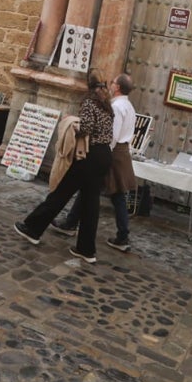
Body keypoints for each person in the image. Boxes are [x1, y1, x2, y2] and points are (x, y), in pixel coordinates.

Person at [13, 69, 115, 264]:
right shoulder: (107, 105)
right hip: (104, 156)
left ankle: (32, 228)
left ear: (88, 84)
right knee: (90, 203)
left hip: (89, 155)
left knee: (61, 192)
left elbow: (86, 128)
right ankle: (86, 250)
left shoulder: (89, 102)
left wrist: (72, 124)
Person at [50, 73, 138, 252]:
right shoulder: (129, 107)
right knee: (93, 189)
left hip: (113, 152)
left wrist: (103, 152)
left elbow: (112, 134)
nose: (110, 85)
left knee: (115, 195)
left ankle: (122, 235)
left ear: (117, 87)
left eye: (113, 82)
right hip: (120, 151)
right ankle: (71, 223)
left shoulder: (117, 107)